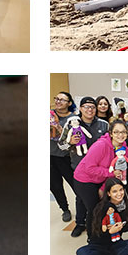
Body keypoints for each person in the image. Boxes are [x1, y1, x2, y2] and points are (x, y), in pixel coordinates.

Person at [60, 97, 109, 237]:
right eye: (86, 107)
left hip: (99, 170)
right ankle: (80, 223)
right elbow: (61, 145)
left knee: (98, 198)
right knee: (80, 197)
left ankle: (97, 223)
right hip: (79, 168)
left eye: (92, 107)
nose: (90, 110)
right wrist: (69, 142)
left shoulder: (103, 125)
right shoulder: (71, 124)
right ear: (80, 108)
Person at [74, 120, 128, 236]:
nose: (120, 135)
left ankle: (105, 233)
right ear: (111, 133)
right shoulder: (101, 145)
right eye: (116, 132)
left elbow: (119, 173)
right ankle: (92, 237)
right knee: (94, 209)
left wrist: (104, 188)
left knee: (102, 206)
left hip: (101, 179)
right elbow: (89, 168)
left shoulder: (125, 151)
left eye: (123, 132)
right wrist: (111, 173)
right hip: (84, 179)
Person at [76, 178, 128, 255]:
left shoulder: (127, 206)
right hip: (99, 244)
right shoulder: (101, 207)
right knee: (81, 253)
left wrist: (121, 226)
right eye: (114, 191)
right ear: (108, 193)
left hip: (115, 242)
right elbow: (94, 234)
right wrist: (109, 232)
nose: (119, 194)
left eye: (121, 190)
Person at [51, 92, 77, 223]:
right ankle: (65, 209)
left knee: (75, 184)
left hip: (66, 156)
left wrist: (61, 131)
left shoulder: (73, 119)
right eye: (57, 98)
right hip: (49, 156)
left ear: (69, 103)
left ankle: (84, 207)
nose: (58, 101)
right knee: (54, 185)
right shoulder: (49, 115)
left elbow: (76, 138)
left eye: (62, 99)